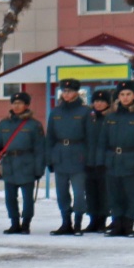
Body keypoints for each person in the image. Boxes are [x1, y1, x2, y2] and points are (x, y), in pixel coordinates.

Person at [0, 91, 48, 234]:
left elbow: (40, 149)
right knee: (10, 197)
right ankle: (14, 223)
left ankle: (26, 224)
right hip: (9, 163)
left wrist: (39, 168)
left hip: (26, 163)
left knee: (27, 198)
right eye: (14, 103)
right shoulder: (4, 123)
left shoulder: (34, 125)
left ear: (26, 105)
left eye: (20, 103)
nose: (16, 106)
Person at [47, 79, 91, 234]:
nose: (66, 94)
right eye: (64, 91)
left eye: (70, 91)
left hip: (78, 154)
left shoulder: (85, 111)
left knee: (79, 193)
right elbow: (50, 137)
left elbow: (90, 137)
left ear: (76, 92)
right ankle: (66, 222)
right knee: (61, 193)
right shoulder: (56, 112)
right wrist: (50, 158)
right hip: (60, 155)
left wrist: (88, 158)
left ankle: (78, 222)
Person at [104, 82, 134, 236]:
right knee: (114, 194)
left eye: (128, 94)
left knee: (132, 195)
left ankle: (129, 223)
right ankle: (117, 224)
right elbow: (102, 141)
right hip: (113, 160)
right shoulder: (111, 116)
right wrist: (102, 160)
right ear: (118, 97)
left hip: (132, 160)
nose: (125, 98)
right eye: (122, 95)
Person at [86, 88, 114, 231]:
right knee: (90, 193)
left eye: (102, 101)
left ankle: (102, 219)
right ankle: (93, 220)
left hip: (104, 162)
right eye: (96, 101)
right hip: (89, 161)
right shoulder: (89, 118)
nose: (99, 104)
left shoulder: (111, 118)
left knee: (104, 193)